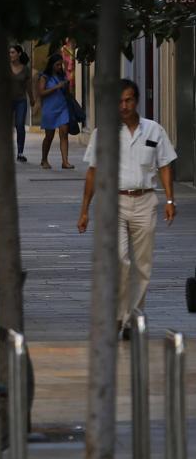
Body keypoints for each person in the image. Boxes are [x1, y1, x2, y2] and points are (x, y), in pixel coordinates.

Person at [78, 79, 177, 333]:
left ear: (137, 101)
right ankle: (118, 315)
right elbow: (93, 172)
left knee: (143, 265)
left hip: (145, 200)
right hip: (115, 202)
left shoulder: (154, 130)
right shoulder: (103, 133)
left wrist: (169, 200)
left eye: (128, 100)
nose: (124, 106)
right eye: (119, 101)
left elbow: (165, 166)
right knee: (119, 260)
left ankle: (132, 317)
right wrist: (85, 210)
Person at [38, 52, 73, 170]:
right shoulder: (44, 77)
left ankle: (65, 161)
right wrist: (56, 87)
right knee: (49, 136)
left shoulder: (62, 76)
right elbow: (41, 92)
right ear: (52, 64)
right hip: (49, 109)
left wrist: (66, 85)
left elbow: (67, 92)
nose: (59, 67)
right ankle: (44, 159)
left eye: (60, 65)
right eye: (57, 65)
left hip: (62, 107)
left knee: (64, 133)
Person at [8, 44, 34, 162]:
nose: (11, 55)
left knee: (20, 125)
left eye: (13, 52)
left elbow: (28, 86)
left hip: (21, 101)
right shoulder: (6, 68)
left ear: (19, 54)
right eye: (9, 53)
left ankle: (20, 152)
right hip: (7, 101)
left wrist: (32, 99)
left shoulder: (25, 69)